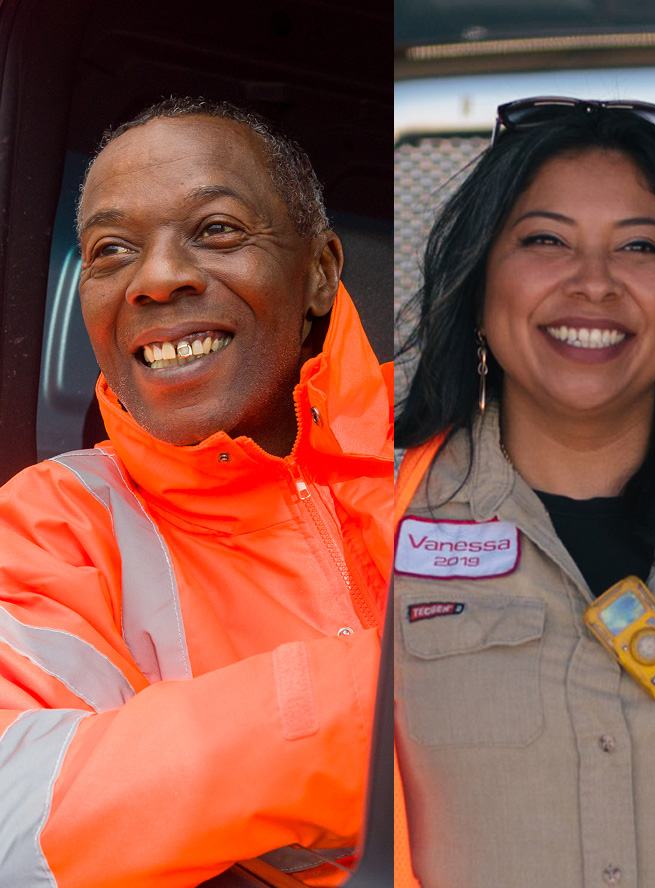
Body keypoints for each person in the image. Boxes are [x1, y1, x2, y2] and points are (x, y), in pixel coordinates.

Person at [392, 96, 655, 888]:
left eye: (640, 247)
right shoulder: (364, 522)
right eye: (546, 240)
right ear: (478, 286)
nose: (594, 283)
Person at [0, 98, 392, 886]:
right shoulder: (56, 517)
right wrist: (377, 704)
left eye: (215, 230)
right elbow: (20, 820)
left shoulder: (471, 442)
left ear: (318, 272)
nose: (158, 278)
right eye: (111, 249)